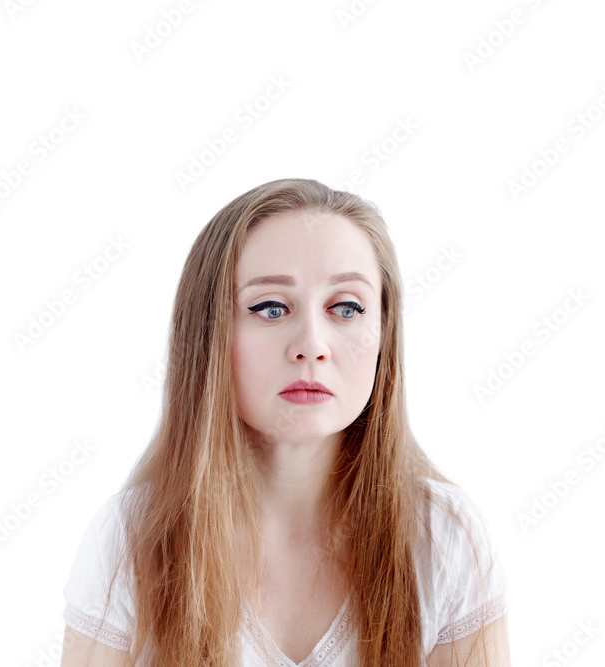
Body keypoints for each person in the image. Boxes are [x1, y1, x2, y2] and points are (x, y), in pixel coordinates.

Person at [59, 178, 511, 666]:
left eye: (346, 308)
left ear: (383, 333)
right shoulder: (130, 540)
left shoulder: (443, 537)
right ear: (209, 335)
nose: (312, 343)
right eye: (270, 308)